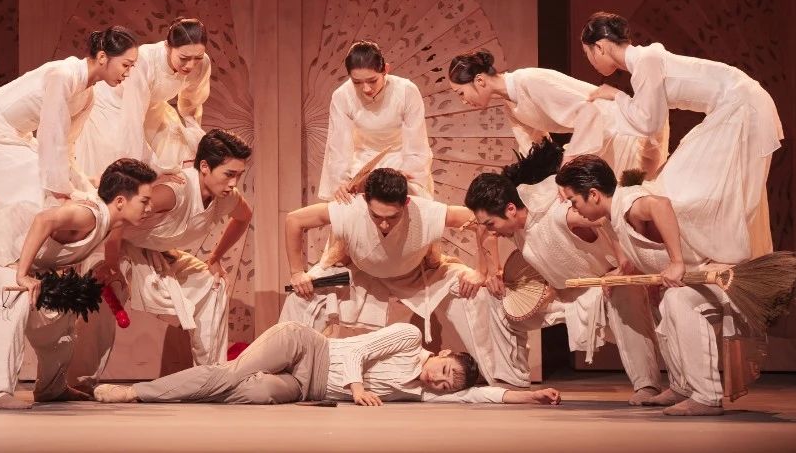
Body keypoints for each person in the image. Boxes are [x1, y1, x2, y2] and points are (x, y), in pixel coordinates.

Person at [279, 168, 527, 387]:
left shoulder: (425, 212)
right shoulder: (350, 208)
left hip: (419, 276)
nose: (384, 225)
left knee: (480, 293)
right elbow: (295, 220)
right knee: (301, 296)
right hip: (360, 275)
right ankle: (285, 371)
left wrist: (484, 271)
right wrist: (297, 272)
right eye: (377, 217)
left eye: (392, 217)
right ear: (365, 201)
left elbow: (479, 222)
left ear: (406, 202)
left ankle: (503, 376)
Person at [0, 158, 156, 409]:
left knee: (64, 312)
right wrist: (23, 274)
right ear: (120, 201)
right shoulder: (88, 214)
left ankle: (51, 387)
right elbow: (43, 220)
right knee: (20, 294)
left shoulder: (107, 222)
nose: (150, 207)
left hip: (12, 264)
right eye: (144, 201)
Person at [557, 155, 757, 417]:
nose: (574, 209)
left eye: (573, 201)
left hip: (719, 274)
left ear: (593, 194)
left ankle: (707, 397)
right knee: (665, 300)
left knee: (677, 300)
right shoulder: (613, 216)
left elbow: (660, 205)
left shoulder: (628, 202)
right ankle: (683, 388)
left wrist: (676, 262)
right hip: (695, 279)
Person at [464, 142, 662, 404]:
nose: (491, 230)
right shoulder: (517, 225)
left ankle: (647, 385)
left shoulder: (560, 215)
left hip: (600, 290)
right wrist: (491, 271)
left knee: (623, 288)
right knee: (498, 300)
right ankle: (512, 382)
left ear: (510, 209)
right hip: (564, 296)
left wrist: (622, 264)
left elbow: (605, 216)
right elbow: (483, 231)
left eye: (492, 223)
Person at [579, 11, 782, 261]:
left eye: (587, 53)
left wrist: (616, 95)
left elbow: (649, 122)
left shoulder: (646, 61)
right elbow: (648, 116)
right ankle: (718, 252)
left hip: (739, 104)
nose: (590, 61)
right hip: (738, 103)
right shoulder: (645, 61)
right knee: (707, 187)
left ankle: (714, 252)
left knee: (685, 185)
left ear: (599, 47)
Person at [0, 27, 138, 267]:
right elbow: (51, 137)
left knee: (83, 196)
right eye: (125, 65)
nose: (128, 73)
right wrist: (63, 190)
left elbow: (67, 146)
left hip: (15, 135)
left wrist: (81, 185)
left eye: (132, 67)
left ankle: (8, 251)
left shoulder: (88, 95)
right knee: (38, 187)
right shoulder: (63, 75)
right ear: (102, 57)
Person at [72, 129, 253, 386]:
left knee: (212, 284)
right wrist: (111, 264)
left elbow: (244, 216)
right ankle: (78, 380)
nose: (234, 183)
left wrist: (215, 258)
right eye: (229, 174)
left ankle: (211, 377)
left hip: (156, 251)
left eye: (239, 175)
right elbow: (118, 219)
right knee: (103, 292)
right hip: (115, 243)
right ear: (204, 167)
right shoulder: (174, 191)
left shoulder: (227, 197)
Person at [92, 321, 561, 406]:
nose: (439, 382)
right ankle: (135, 391)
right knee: (232, 374)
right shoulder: (410, 337)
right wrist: (357, 389)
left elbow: (481, 395)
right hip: (307, 347)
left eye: (446, 385)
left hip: (307, 389)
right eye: (445, 371)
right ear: (441, 354)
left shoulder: (423, 393)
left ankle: (186, 391)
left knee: (252, 393)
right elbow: (355, 351)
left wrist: (530, 395)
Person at [447, 48, 667, 179]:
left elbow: (588, 111)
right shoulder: (509, 104)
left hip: (616, 128)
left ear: (480, 80)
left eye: (461, 93)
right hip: (596, 140)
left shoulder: (529, 80)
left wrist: (569, 161)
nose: (464, 101)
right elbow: (536, 149)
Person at [77, 17, 213, 175]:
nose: (190, 65)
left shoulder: (202, 64)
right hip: (115, 106)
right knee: (120, 156)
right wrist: (152, 168)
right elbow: (132, 121)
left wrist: (194, 134)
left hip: (151, 107)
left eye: (198, 58)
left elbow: (192, 103)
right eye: (183, 58)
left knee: (179, 146)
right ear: (168, 47)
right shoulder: (144, 60)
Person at [317, 40, 433, 200]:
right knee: (349, 199)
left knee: (405, 197)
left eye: (372, 81)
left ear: (386, 69)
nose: (366, 88)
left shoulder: (406, 91)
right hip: (362, 162)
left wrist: (408, 175)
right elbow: (339, 147)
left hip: (400, 157)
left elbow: (416, 145)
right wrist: (341, 182)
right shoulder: (342, 96)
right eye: (357, 82)